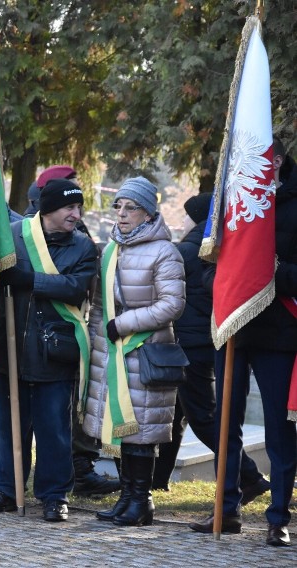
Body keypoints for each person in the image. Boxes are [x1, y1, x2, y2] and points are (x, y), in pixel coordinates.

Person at [190, 136, 297, 547]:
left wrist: (268, 271)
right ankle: (226, 507)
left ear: (280, 162)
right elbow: (206, 262)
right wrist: (227, 282)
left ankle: (278, 516)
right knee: (224, 425)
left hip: (280, 332)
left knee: (278, 429)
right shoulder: (230, 199)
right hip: (233, 326)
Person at [0, 179, 99, 522]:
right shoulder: (13, 234)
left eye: (78, 207)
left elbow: (75, 288)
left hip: (56, 350)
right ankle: (7, 489)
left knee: (54, 428)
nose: (75, 214)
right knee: (9, 425)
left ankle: (54, 495)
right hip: (11, 348)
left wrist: (31, 279)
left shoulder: (83, 246)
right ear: (49, 209)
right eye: (69, 207)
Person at [83, 176, 185, 527]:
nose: (122, 214)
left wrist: (124, 326)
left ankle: (142, 502)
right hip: (111, 353)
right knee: (119, 427)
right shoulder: (111, 249)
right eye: (119, 207)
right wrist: (99, 337)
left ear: (148, 213)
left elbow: (173, 304)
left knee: (141, 430)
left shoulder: (164, 251)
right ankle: (126, 498)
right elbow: (99, 304)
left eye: (131, 208)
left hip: (146, 352)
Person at [153, 192, 269, 501]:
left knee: (203, 418)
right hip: (201, 343)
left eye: (187, 214)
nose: (182, 219)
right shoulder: (209, 249)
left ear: (196, 218)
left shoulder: (186, 251)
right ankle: (157, 479)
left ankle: (250, 477)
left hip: (189, 345)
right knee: (175, 414)